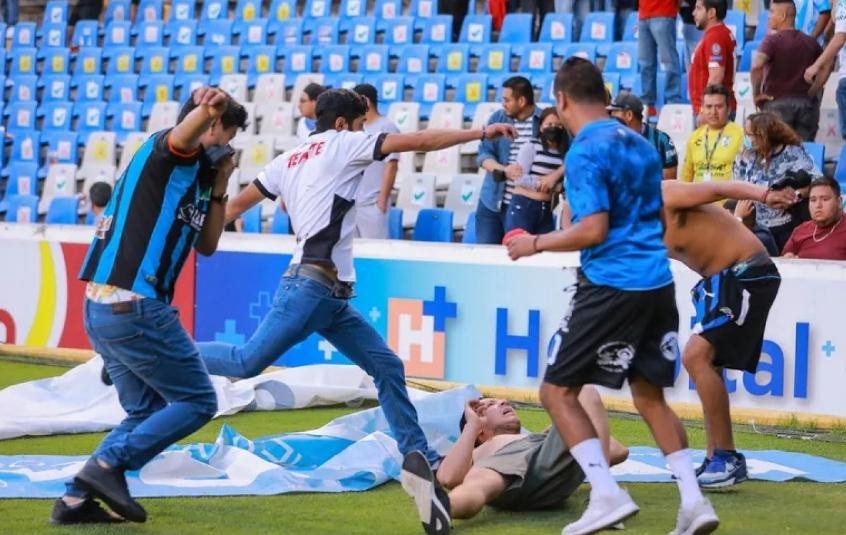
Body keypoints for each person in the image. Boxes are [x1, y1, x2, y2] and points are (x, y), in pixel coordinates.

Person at [196, 89, 516, 535]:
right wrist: (480, 131)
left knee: (387, 366)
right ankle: (150, 351)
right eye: (363, 124)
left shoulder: (285, 160)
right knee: (245, 362)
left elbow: (230, 209)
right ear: (345, 124)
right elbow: (420, 142)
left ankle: (417, 461)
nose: (369, 133)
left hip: (329, 296)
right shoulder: (343, 144)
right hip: (310, 288)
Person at [505, 57, 718, 535]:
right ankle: (693, 500)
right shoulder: (641, 146)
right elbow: (660, 220)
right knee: (649, 396)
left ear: (560, 101)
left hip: (610, 285)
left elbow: (593, 229)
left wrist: (532, 243)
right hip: (657, 283)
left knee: (556, 391)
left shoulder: (583, 152)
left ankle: (605, 494)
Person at [50, 87, 246, 525]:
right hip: (134, 303)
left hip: (107, 307)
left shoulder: (197, 178)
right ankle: (104, 467)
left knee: (145, 411)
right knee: (197, 400)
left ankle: (75, 501)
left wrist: (220, 183)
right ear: (207, 126)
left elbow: (210, 244)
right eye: (224, 137)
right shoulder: (167, 153)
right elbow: (182, 137)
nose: (227, 148)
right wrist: (206, 112)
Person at [660, 179, 791, 488]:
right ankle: (714, 458)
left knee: (696, 356)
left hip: (747, 271)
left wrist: (765, 194)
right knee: (706, 362)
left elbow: (719, 188)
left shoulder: (663, 193)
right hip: (720, 283)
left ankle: (727, 457)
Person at [400, 388, 629, 534]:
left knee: (585, 392)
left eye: (501, 401)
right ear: (480, 430)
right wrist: (471, 425)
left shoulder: (544, 438)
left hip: (548, 466)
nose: (502, 403)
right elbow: (448, 477)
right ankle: (442, 508)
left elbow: (618, 451)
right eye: (489, 405)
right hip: (505, 476)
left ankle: (605, 496)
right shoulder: (481, 449)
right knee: (479, 482)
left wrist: (566, 425)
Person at [733, 111, 820, 251]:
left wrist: (795, 195)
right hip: (753, 224)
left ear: (764, 135)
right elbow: (736, 185)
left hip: (784, 225)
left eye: (750, 135)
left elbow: (819, 182)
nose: (747, 139)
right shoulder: (745, 155)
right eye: (746, 134)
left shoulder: (791, 152)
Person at [476, 76, 542, 244]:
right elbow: (483, 155)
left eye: (507, 100)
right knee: (484, 257)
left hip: (525, 205)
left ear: (521, 101)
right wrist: (503, 170)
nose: (503, 104)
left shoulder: (543, 121)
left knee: (517, 259)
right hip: (492, 202)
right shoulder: (497, 118)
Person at [751, 0, 827, 142]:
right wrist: (815, 88)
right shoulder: (810, 41)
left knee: (777, 155)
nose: (769, 17)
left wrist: (757, 94)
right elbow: (827, 63)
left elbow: (756, 65)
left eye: (772, 12)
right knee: (804, 154)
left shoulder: (771, 41)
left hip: (776, 105)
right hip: (806, 105)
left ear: (783, 16)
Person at [505, 106, 568, 235]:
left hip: (546, 210)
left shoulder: (563, 154)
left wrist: (555, 186)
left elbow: (562, 184)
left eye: (558, 125)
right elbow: (518, 178)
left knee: (544, 253)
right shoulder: (531, 146)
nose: (553, 128)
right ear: (541, 127)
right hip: (523, 207)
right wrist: (541, 183)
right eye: (549, 124)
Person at [352, 83, 400, 239]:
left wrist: (382, 200)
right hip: (354, 202)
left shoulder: (387, 126)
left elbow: (391, 165)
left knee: (375, 250)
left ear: (365, 101)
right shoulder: (356, 128)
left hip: (373, 203)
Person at [607, 92, 679, 179]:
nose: (610, 116)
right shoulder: (610, 140)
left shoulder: (662, 141)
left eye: (614, 112)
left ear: (629, 115)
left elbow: (669, 184)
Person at [682, 84, 744, 183]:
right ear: (702, 109)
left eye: (719, 106)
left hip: (728, 197)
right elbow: (686, 177)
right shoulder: (694, 137)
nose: (713, 112)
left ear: (728, 109)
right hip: (699, 196)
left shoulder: (741, 135)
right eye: (709, 107)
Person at [689, 0, 736, 121]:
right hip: (716, 110)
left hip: (713, 113)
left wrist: (706, 110)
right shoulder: (717, 33)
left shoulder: (715, 37)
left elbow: (716, 77)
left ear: (711, 13)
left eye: (698, 9)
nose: (694, 13)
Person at [638, 0, 684, 117]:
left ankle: (673, 103)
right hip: (644, 13)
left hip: (664, 11)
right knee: (645, 63)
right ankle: (647, 105)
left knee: (668, 61)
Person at [783, 177, 846, 259]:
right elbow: (781, 264)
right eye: (813, 200)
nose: (818, 205)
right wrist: (787, 259)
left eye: (825, 199)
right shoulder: (800, 230)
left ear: (839, 202)